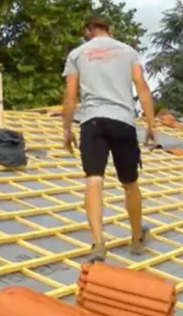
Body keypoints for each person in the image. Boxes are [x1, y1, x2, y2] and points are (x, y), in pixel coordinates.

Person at [61, 15, 156, 262]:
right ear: (109, 29)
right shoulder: (128, 52)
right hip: (123, 120)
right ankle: (136, 239)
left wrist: (66, 129)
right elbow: (142, 87)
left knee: (94, 181)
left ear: (88, 30)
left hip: (92, 121)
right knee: (130, 182)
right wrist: (151, 123)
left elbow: (70, 96)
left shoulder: (78, 54)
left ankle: (98, 243)